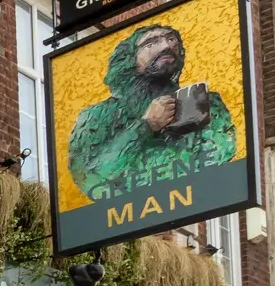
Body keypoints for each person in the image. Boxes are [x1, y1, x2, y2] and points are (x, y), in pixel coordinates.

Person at [65, 24, 237, 201]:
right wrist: (146, 126)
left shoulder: (206, 102)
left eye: (171, 39)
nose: (167, 46)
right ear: (129, 59)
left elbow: (218, 155)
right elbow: (88, 176)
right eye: (151, 43)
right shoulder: (97, 116)